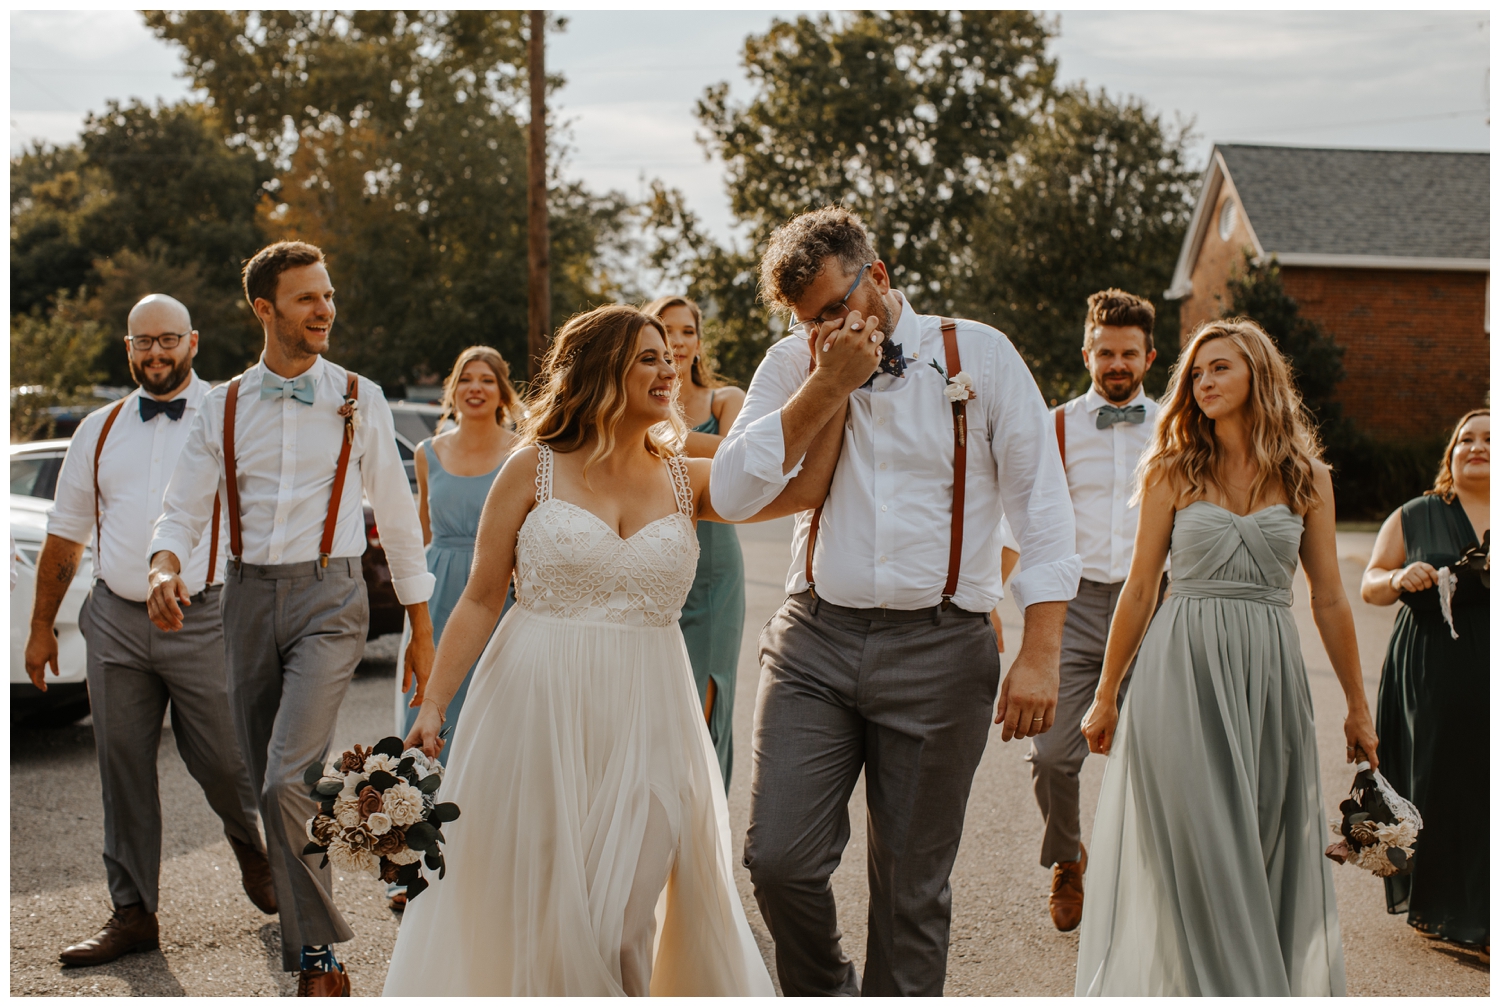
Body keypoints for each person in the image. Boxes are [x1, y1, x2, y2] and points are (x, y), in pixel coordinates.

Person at [382, 305, 844, 995]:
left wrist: (835, 385)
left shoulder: (688, 476)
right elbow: (480, 597)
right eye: (647, 358)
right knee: (541, 911)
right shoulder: (531, 468)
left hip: (650, 711)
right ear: (602, 371)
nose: (669, 369)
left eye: (669, 356)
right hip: (536, 710)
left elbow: (805, 487)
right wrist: (435, 703)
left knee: (625, 923)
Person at [710, 207, 1081, 996]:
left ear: (876, 276)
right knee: (777, 860)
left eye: (833, 309)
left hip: (942, 648)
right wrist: (826, 384)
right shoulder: (794, 361)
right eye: (807, 320)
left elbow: (1044, 510)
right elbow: (734, 493)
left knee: (911, 891)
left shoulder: (979, 355)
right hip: (814, 640)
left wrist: (1041, 650)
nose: (822, 330)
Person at [146, 242, 436, 997]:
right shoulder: (222, 405)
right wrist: (164, 566)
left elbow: (397, 514)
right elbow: (183, 506)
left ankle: (320, 959)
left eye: (328, 295)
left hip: (330, 599)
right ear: (264, 308)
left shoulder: (359, 396)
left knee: (285, 779)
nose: (325, 309)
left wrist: (421, 626)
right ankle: (316, 947)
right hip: (243, 598)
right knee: (274, 785)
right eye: (307, 297)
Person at [1075, 318, 1378, 996]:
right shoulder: (1171, 468)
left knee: (1264, 837)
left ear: (1258, 376)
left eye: (1220, 368)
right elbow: (1140, 587)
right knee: (1199, 843)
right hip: (1179, 671)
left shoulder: (1307, 476)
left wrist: (1358, 706)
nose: (1203, 382)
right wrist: (1106, 692)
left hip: (1269, 675)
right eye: (1196, 373)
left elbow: (1330, 597)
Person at [23, 294, 275, 967]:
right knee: (122, 766)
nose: (156, 352)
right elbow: (65, 535)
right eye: (144, 342)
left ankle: (253, 849)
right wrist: (42, 627)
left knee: (225, 760)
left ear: (192, 342)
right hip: (115, 619)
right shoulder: (98, 430)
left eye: (168, 339)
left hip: (206, 616)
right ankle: (133, 913)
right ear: (128, 348)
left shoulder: (230, 415)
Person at [1028, 289, 1160, 933]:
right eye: (1105, 352)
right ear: (1087, 355)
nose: (1117, 364)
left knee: (1158, 753)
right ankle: (1067, 859)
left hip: (1155, 603)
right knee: (1053, 755)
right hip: (1076, 604)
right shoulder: (1054, 426)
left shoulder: (1178, 425)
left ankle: (1153, 879)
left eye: (1128, 353)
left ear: (1149, 358)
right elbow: (1026, 516)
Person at [386, 346, 521, 913]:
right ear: (453, 389)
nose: (476, 388)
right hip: (439, 593)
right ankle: (409, 862)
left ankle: (481, 863)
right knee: (421, 726)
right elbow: (421, 534)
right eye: (466, 378)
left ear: (502, 391)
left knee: (490, 726)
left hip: (498, 594)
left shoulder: (522, 449)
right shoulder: (427, 452)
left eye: (487, 379)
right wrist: (415, 619)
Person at [1360, 408, 1488, 954]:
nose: (1477, 446)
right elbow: (1370, 583)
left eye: (1490, 439)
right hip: (1430, 670)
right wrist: (1396, 575)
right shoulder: (1416, 514)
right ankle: (1441, 907)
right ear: (1450, 455)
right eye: (1466, 439)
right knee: (1438, 779)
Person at [644, 295, 746, 788]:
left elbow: (738, 456)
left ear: (700, 342)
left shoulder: (725, 400)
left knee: (702, 702)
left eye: (688, 331)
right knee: (651, 709)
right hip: (647, 563)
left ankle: (703, 815)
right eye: (667, 331)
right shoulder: (635, 403)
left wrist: (657, 429)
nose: (678, 341)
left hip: (712, 572)